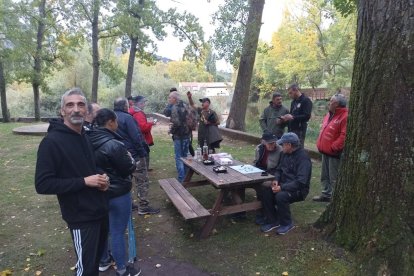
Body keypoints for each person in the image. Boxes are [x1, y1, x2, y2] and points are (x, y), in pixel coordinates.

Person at [35, 88, 109, 276]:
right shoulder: (51, 142)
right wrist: (84, 182)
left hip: (100, 211)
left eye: (80, 104)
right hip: (81, 217)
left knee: (94, 265)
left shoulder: (83, 135)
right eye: (70, 105)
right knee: (86, 270)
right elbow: (43, 184)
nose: (76, 109)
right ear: (62, 111)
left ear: (86, 111)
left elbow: (90, 166)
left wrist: (102, 177)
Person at [87, 108, 141, 276]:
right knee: (117, 231)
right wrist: (132, 161)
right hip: (118, 194)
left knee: (103, 228)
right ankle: (123, 269)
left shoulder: (86, 139)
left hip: (97, 192)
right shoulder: (114, 144)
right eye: (116, 121)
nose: (117, 124)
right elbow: (127, 168)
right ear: (110, 122)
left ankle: (103, 261)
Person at [114, 97, 160, 215]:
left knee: (126, 180)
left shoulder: (111, 118)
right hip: (134, 155)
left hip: (119, 155)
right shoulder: (128, 118)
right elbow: (136, 137)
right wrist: (142, 153)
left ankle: (129, 204)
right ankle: (143, 207)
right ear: (125, 106)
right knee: (142, 180)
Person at [260, 132, 312, 235]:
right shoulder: (284, 154)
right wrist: (276, 180)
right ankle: (273, 220)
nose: (280, 146)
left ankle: (287, 223)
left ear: (289, 145)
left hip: (299, 190)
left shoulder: (303, 158)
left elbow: (301, 182)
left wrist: (282, 187)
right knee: (266, 190)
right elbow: (279, 170)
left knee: (281, 196)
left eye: (283, 144)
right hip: (283, 184)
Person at [313, 93, 348, 202]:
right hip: (325, 151)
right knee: (325, 176)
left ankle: (336, 200)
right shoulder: (329, 114)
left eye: (331, 101)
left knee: (334, 178)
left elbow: (344, 135)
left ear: (336, 104)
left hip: (334, 153)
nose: (329, 102)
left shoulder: (345, 116)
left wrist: (334, 147)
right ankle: (326, 194)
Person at [164, 90, 191, 183]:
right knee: (185, 156)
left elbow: (176, 122)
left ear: (174, 99)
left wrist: (171, 130)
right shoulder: (186, 104)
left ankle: (181, 179)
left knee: (179, 157)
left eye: (169, 97)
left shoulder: (174, 107)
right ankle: (187, 177)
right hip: (187, 134)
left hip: (179, 135)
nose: (169, 99)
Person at [130, 96, 156, 171]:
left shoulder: (133, 111)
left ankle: (143, 169)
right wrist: (151, 123)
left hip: (138, 139)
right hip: (142, 140)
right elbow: (143, 128)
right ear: (140, 103)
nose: (145, 104)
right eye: (144, 103)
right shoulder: (138, 113)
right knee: (144, 157)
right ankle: (144, 171)